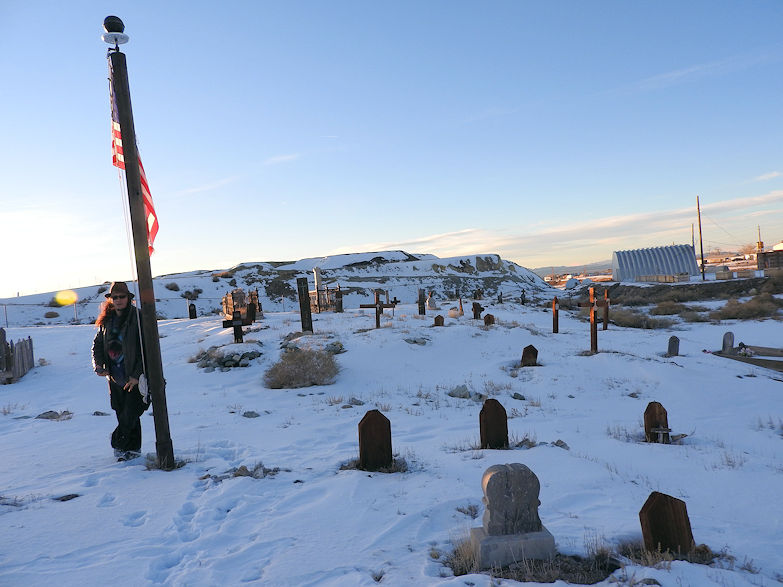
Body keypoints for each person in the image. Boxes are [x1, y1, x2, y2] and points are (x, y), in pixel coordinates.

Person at [92, 281, 149, 460]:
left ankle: (119, 442)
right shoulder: (106, 320)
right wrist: (99, 365)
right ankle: (129, 451)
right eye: (114, 297)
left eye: (121, 296)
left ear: (128, 298)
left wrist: (137, 375)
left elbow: (146, 349)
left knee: (130, 414)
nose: (118, 300)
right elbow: (97, 345)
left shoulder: (138, 317)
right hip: (115, 378)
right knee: (121, 413)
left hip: (134, 378)